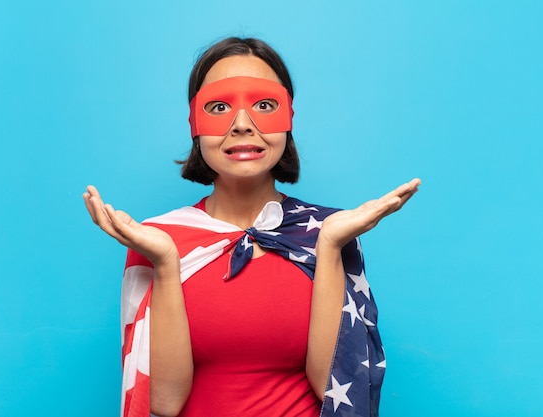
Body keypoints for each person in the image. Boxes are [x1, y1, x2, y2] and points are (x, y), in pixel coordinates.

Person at [83, 37, 420, 417]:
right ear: (195, 124)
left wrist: (328, 246)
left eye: (264, 105)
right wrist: (164, 262)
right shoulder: (160, 237)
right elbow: (164, 402)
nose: (242, 124)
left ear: (288, 117)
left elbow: (335, 389)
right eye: (219, 107)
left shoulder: (328, 230)